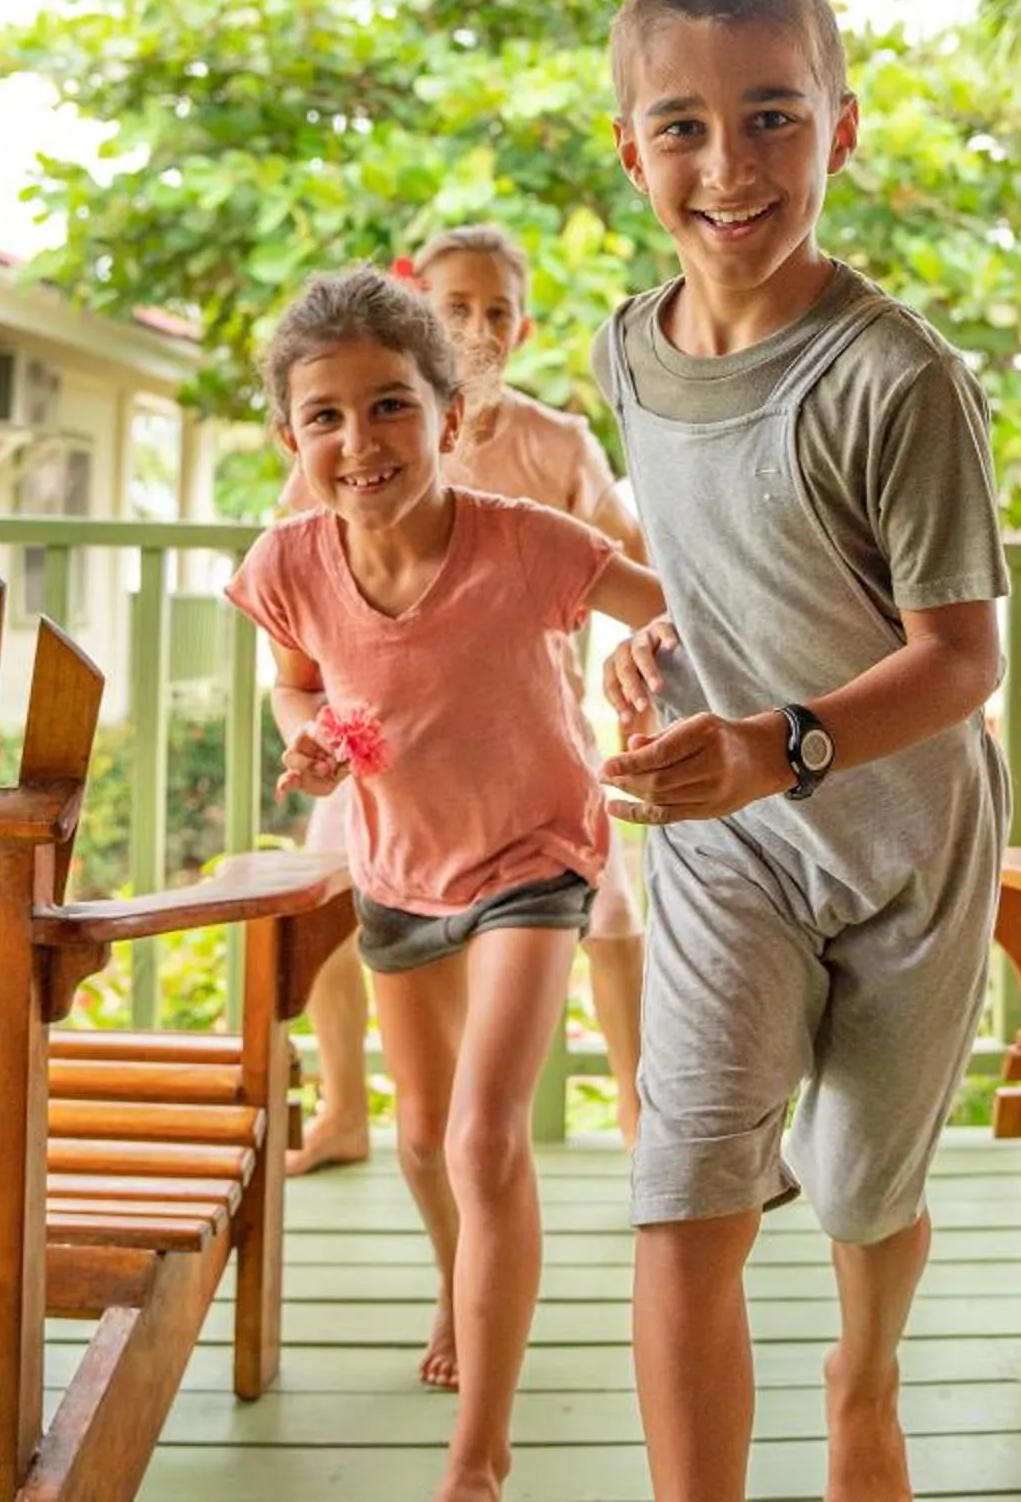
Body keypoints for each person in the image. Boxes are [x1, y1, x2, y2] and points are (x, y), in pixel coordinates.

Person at [592, 0, 1011, 1502]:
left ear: (841, 132)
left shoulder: (898, 379)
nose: (730, 164)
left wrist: (778, 741)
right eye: (685, 126)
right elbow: (717, 557)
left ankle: (864, 1379)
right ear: (632, 150)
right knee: (684, 1187)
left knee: (857, 1191)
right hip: (725, 849)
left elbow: (960, 659)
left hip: (907, 846)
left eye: (772, 117)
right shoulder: (625, 350)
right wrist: (661, 640)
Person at [227, 267, 665, 1497]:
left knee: (482, 1135)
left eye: (390, 407)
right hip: (398, 864)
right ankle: (458, 1282)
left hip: (537, 850)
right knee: (422, 1138)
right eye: (325, 417)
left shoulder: (528, 542)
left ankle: (480, 1452)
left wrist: (654, 660)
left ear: (451, 418)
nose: (358, 441)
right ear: (290, 438)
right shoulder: (290, 561)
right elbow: (297, 675)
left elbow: (664, 609)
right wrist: (307, 727)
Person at [280, 225, 654, 1174]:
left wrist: (641, 641)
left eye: (497, 311)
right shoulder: (361, 432)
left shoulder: (552, 445)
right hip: (377, 757)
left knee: (610, 921)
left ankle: (641, 1125)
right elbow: (301, 576)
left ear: (520, 331)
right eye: (457, 307)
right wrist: (313, 726)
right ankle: (342, 1109)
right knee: (327, 914)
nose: (478, 326)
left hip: (525, 756)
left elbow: (633, 567)